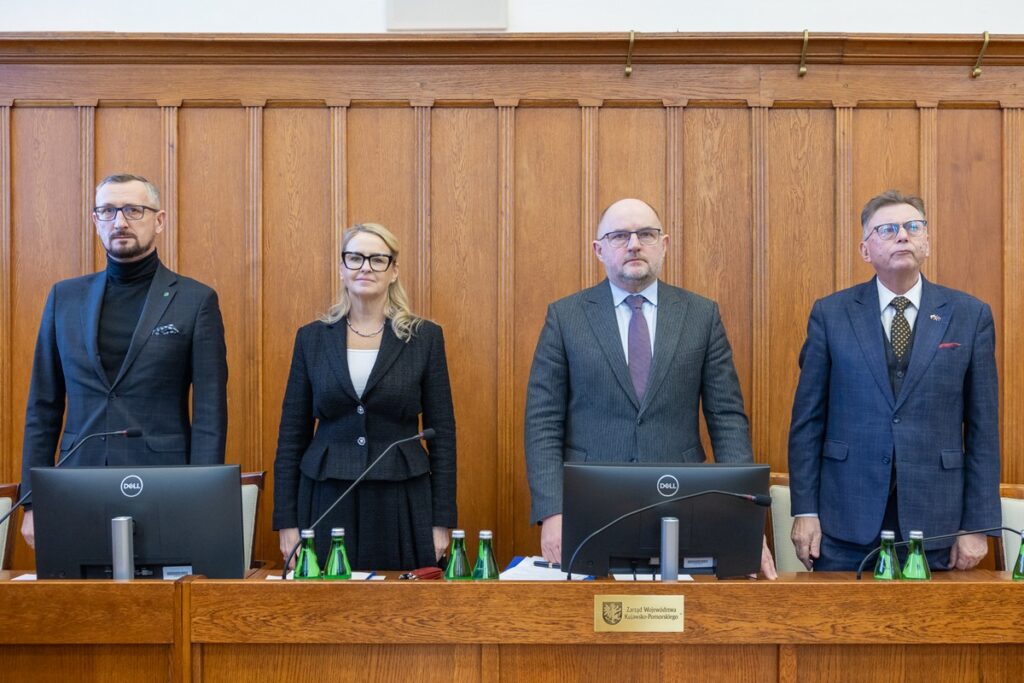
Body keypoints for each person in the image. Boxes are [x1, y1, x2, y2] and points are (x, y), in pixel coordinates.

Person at [525, 197, 776, 578]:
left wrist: (746, 523)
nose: (634, 244)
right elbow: (542, 422)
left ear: (665, 244)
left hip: (683, 502)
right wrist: (552, 511)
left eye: (646, 233)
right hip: (593, 509)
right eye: (619, 236)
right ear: (599, 250)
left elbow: (726, 419)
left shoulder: (701, 315)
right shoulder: (566, 317)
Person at [788, 189, 1001, 571]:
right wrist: (805, 510)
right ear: (865, 250)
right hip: (844, 523)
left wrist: (977, 525)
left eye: (912, 227)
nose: (903, 235)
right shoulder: (831, 314)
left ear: (927, 243)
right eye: (887, 229)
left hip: (936, 524)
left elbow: (984, 430)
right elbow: (807, 422)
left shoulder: (970, 316)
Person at [20, 173, 228, 547]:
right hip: (76, 486)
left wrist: (202, 496)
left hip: (165, 485)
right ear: (95, 220)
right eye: (108, 211)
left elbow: (211, 413)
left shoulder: (196, 301)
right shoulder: (64, 298)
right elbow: (43, 407)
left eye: (134, 210)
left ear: (159, 220)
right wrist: (33, 502)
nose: (120, 222)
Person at [273, 223, 456, 570]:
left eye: (377, 259)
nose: (365, 268)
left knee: (401, 616)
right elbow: (291, 437)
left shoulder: (425, 338)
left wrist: (441, 521)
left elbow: (443, 435)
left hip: (401, 498)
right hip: (326, 498)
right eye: (355, 258)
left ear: (393, 271)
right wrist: (287, 522)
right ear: (342, 268)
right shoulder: (311, 339)